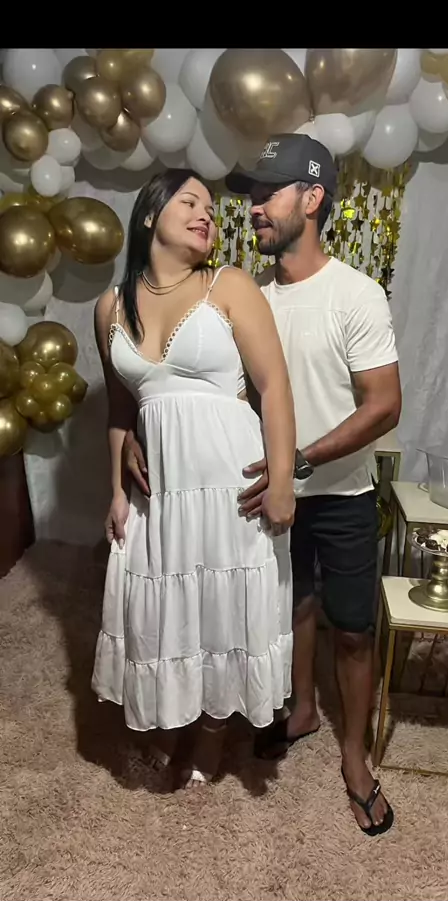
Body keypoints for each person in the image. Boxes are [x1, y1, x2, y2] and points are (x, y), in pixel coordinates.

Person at [92, 168, 296, 788]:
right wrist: (115, 488)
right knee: (165, 605)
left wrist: (282, 480)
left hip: (229, 482)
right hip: (161, 489)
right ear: (149, 215)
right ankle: (173, 716)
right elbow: (120, 409)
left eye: (210, 207)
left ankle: (211, 733)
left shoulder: (228, 285)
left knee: (222, 608)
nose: (206, 214)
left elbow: (273, 386)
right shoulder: (109, 307)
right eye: (190, 202)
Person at [226, 134, 402, 836]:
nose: (254, 207)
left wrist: (297, 461)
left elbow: (383, 405)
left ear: (311, 198)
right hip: (271, 492)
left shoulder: (355, 294)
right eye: (250, 195)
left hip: (343, 495)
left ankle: (354, 756)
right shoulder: (248, 298)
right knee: (291, 611)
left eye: (266, 192)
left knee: (352, 631)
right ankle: (301, 710)